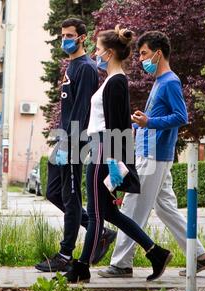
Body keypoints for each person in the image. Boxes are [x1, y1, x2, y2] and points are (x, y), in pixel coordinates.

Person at [61, 26, 172, 283]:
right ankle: (155, 253)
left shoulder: (117, 81)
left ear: (109, 53)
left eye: (98, 50)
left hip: (104, 152)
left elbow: (113, 125)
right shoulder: (112, 81)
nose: (95, 54)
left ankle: (81, 267)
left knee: (97, 213)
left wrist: (112, 162)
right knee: (108, 214)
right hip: (101, 149)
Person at [98, 31, 205, 279]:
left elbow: (181, 116)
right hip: (153, 153)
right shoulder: (160, 82)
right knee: (166, 209)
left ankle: (121, 263)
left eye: (144, 53)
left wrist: (149, 122)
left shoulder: (170, 81)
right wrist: (140, 124)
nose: (140, 59)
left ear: (158, 53)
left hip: (153, 156)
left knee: (133, 207)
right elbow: (156, 120)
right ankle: (199, 256)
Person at [35, 18, 117, 273]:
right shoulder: (72, 66)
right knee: (53, 192)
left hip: (74, 141)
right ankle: (101, 232)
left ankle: (65, 254)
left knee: (71, 198)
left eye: (69, 35)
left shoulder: (87, 68)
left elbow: (83, 111)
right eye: (63, 35)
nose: (65, 40)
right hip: (63, 138)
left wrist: (71, 144)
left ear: (82, 37)